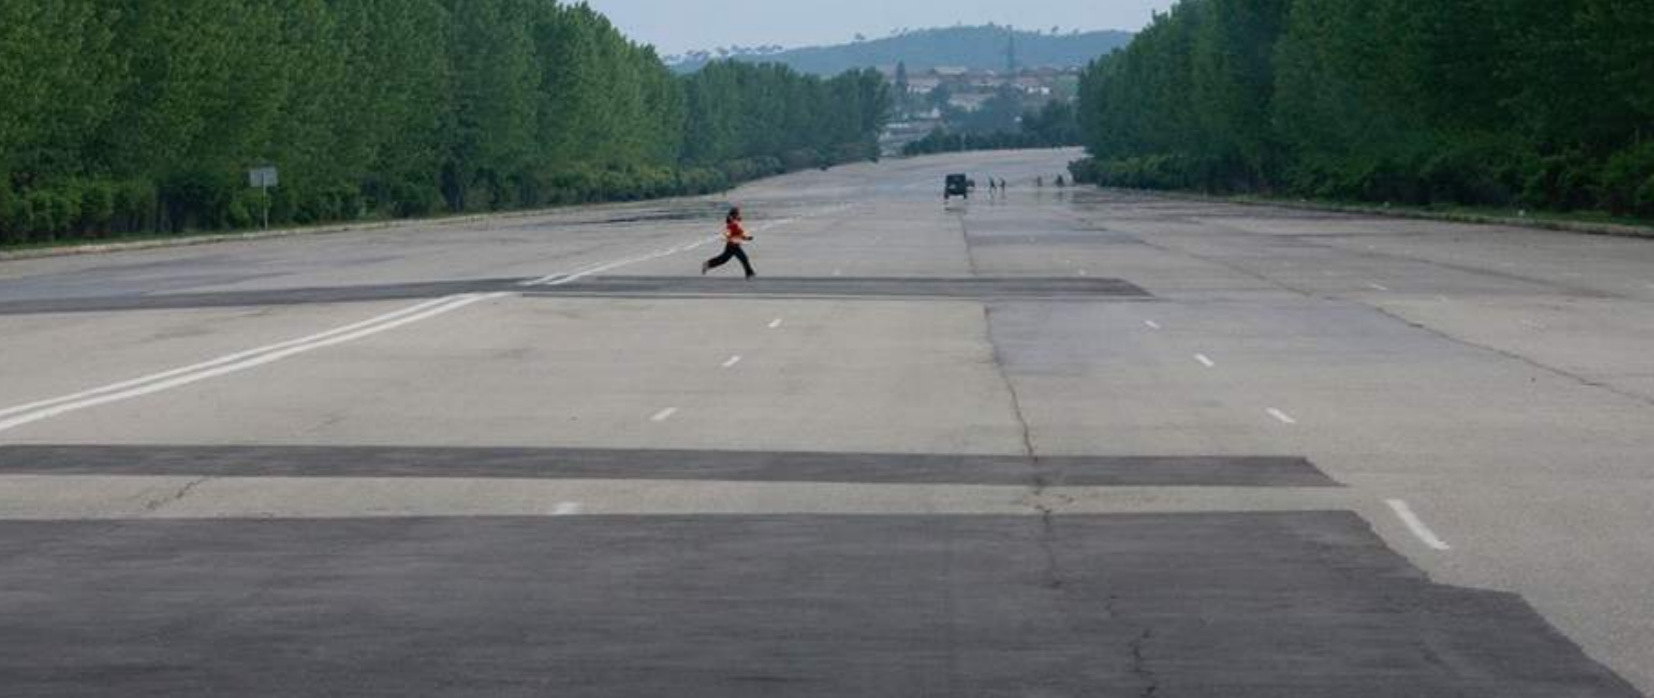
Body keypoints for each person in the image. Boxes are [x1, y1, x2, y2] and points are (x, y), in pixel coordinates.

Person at [703, 207, 756, 279]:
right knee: (743, 258)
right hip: (732, 245)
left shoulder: (736, 223)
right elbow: (728, 233)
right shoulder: (732, 224)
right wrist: (729, 237)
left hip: (733, 245)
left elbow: (739, 235)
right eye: (738, 213)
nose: (739, 215)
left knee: (724, 259)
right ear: (735, 214)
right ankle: (749, 273)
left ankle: (708, 264)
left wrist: (747, 238)